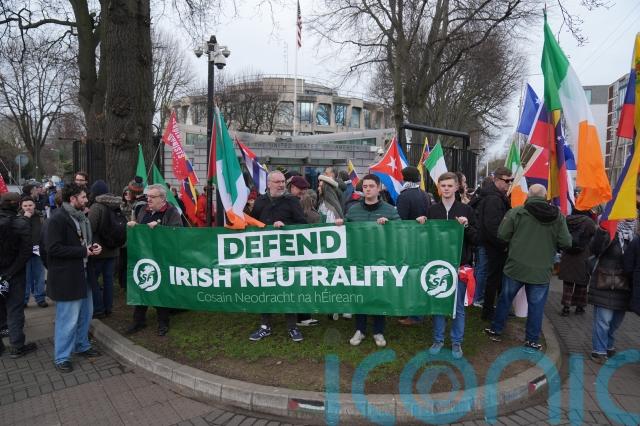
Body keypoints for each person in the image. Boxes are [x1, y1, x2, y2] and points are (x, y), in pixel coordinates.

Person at [484, 184, 571, 352]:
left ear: (528, 195)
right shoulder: (558, 216)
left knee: (505, 299)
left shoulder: (516, 212)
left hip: (516, 266)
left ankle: (496, 329)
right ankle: (531, 340)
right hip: (541, 270)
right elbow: (566, 242)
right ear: (545, 196)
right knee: (536, 307)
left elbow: (502, 235)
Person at [336, 174, 400, 347]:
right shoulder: (354, 210)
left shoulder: (390, 210)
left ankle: (378, 331)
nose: (368, 189)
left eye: (372, 186)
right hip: (359, 260)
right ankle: (360, 330)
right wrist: (341, 224)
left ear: (379, 188)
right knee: (360, 293)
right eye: (365, 186)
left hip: (381, 260)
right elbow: (347, 230)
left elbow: (401, 231)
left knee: (379, 294)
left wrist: (389, 225)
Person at [44, 183, 103, 372]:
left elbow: (82, 242)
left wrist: (92, 248)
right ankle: (62, 357)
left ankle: (82, 345)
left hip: (84, 274)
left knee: (86, 314)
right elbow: (53, 248)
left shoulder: (80, 217)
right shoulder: (57, 219)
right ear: (73, 199)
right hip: (67, 278)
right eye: (83, 197)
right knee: (67, 319)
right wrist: (83, 251)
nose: (86, 200)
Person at [420, 172, 477, 358]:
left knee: (458, 306)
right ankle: (438, 339)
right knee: (438, 305)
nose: (446, 189)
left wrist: (466, 226)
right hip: (438, 265)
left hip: (459, 265)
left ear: (457, 187)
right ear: (439, 188)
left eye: (449, 186)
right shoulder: (432, 210)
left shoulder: (466, 210)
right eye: (443, 186)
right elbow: (426, 238)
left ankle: (456, 342)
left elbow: (476, 238)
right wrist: (422, 225)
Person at [249, 171, 308, 342]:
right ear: (269, 184)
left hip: (287, 254)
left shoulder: (292, 201)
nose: (281, 185)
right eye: (277, 182)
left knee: (288, 289)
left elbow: (303, 224)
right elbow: (253, 224)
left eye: (283, 181)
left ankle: (292, 327)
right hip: (265, 254)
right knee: (265, 288)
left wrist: (285, 226)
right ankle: (265, 326)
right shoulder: (260, 201)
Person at [126, 184, 182, 336]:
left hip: (162, 258)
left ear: (162, 199)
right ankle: (138, 321)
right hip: (144, 257)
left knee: (161, 290)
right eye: (147, 196)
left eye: (152, 197)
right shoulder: (143, 210)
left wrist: (160, 228)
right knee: (141, 286)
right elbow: (139, 230)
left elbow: (177, 234)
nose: (148, 200)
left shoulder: (172, 212)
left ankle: (163, 323)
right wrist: (134, 226)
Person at [587, 219, 635, 363]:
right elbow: (594, 249)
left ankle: (608, 345)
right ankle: (599, 350)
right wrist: (602, 231)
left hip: (624, 286)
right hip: (605, 283)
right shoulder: (610, 229)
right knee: (604, 320)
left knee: (615, 322)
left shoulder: (635, 235)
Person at [0, 192, 37, 358]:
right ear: (17, 205)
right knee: (15, 308)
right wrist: (10, 273)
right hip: (14, 273)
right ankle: (17, 346)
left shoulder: (20, 223)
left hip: (11, 271)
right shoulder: (21, 224)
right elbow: (25, 252)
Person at [396, 166, 432, 326]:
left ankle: (414, 314)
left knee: (409, 277)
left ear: (404, 178)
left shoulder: (404, 196)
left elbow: (400, 220)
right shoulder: (425, 194)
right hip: (423, 240)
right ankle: (419, 311)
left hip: (408, 241)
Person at [478, 167, 512, 321]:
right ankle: (488, 311)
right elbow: (492, 226)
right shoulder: (493, 199)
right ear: (497, 179)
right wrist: (502, 244)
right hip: (495, 245)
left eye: (510, 180)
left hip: (495, 243)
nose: (509, 183)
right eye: (507, 180)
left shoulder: (497, 196)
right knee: (493, 279)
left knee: (496, 279)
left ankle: (495, 308)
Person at [88, 180, 122, 318]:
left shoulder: (97, 206)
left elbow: (90, 227)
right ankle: (108, 307)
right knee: (108, 281)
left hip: (99, 250)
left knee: (93, 281)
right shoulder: (116, 205)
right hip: (113, 249)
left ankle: (98, 309)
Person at [558, 210, 596, 316]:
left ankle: (566, 307)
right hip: (583, 255)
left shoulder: (566, 219)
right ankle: (579, 307)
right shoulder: (589, 222)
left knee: (568, 283)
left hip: (568, 254)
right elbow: (595, 236)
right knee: (581, 283)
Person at [468, 177, 493, 307]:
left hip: (477, 237)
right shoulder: (486, 201)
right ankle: (478, 297)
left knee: (479, 268)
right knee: (482, 268)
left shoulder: (476, 199)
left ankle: (474, 295)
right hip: (482, 238)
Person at [20, 196, 48, 308]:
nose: (28, 208)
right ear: (21, 207)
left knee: (39, 276)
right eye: (25, 206)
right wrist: (25, 218)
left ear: (34, 205)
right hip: (23, 252)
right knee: (25, 277)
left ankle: (40, 298)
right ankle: (24, 299)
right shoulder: (18, 217)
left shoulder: (40, 216)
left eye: (30, 205)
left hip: (37, 250)